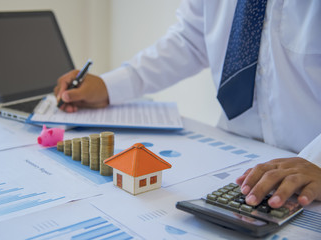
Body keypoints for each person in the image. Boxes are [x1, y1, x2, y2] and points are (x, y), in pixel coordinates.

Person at [54, 0, 321, 208]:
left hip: (311, 167)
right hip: (237, 155)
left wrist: (317, 160)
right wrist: (110, 86)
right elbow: (190, 40)